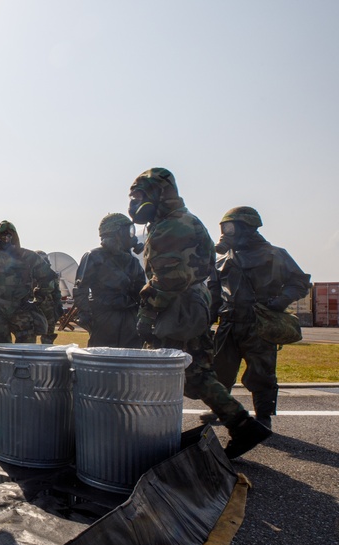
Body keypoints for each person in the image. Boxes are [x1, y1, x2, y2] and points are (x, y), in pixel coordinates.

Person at [129, 168, 270, 458]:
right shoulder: (178, 221)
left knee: (158, 371)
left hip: (177, 310)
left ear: (159, 193)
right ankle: (241, 425)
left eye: (140, 196)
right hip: (188, 308)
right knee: (195, 373)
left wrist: (148, 314)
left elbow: (170, 278)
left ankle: (147, 437)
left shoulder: (172, 227)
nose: (134, 203)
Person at [208, 206, 310, 429]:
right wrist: (207, 321)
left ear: (247, 228)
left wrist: (282, 300)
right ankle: (221, 409)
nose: (225, 233)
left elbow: (300, 282)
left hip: (259, 323)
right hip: (229, 323)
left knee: (261, 373)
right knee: (220, 370)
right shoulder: (222, 260)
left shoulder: (275, 255)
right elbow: (214, 295)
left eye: (231, 228)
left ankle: (263, 416)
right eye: (223, 228)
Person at [0, 221, 58, 344]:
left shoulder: (28, 257)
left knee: (25, 353)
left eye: (4, 237)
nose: (0, 241)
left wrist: (37, 300)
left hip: (22, 310)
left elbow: (48, 277)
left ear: (12, 238)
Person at [72, 213, 147, 348]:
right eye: (128, 231)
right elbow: (80, 288)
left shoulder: (133, 262)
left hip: (130, 319)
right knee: (102, 359)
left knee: (130, 358)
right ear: (116, 232)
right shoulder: (94, 256)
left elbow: (141, 292)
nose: (132, 236)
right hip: (104, 317)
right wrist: (85, 314)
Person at [34, 250, 64, 344]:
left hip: (48, 308)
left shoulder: (51, 274)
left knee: (48, 334)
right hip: (31, 307)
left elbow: (56, 292)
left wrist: (58, 305)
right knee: (29, 335)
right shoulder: (28, 272)